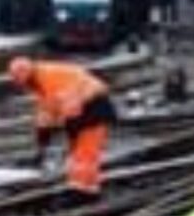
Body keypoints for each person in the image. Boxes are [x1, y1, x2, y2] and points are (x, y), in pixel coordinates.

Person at [8, 56, 117, 196]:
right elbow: (46, 112)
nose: (18, 84)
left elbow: (68, 106)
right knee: (79, 153)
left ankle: (86, 191)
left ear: (24, 72)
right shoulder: (40, 81)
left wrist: (67, 130)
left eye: (17, 79)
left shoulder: (49, 77)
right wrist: (42, 143)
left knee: (85, 153)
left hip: (93, 106)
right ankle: (80, 187)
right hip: (83, 108)